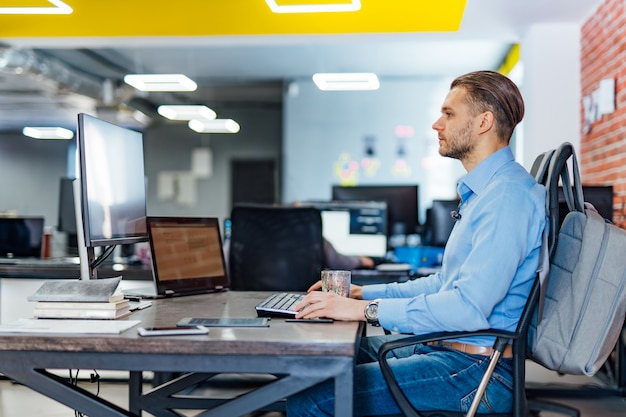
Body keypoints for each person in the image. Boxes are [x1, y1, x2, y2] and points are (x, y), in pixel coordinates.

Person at [286, 70, 547, 416]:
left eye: (449, 114)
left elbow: (468, 307)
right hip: (452, 352)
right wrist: (364, 295)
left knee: (312, 400)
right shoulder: (486, 194)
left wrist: (365, 312)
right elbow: (445, 284)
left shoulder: (507, 198)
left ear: (484, 122)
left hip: (476, 373)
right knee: (315, 359)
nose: (437, 124)